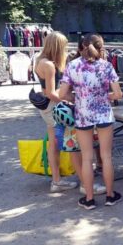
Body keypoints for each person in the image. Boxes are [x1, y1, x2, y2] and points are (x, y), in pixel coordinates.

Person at [60, 34, 123, 210]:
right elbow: (118, 94)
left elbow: (61, 94)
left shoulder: (72, 66)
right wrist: (105, 96)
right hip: (104, 115)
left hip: (83, 115)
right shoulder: (107, 66)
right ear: (101, 48)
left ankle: (89, 199)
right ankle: (110, 195)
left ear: (80, 48)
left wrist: (76, 97)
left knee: (87, 158)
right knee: (106, 156)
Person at [34, 31, 79, 193]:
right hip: (53, 107)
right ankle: (58, 181)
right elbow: (51, 93)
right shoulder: (49, 65)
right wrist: (67, 101)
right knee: (65, 141)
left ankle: (57, 180)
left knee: (53, 143)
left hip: (47, 108)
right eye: (64, 46)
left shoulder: (40, 60)